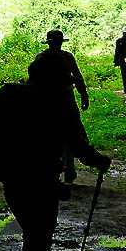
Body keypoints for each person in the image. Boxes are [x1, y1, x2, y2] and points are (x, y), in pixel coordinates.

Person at [0, 56, 111, 251]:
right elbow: (75, 143)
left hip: (12, 177)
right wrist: (98, 161)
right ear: (53, 79)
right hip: (42, 181)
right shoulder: (54, 104)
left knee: (33, 232)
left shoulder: (11, 98)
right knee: (40, 234)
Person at [35, 29, 88, 183]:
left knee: (47, 135)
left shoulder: (40, 57)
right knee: (70, 133)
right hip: (66, 99)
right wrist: (83, 94)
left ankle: (52, 170)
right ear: (60, 42)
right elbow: (77, 77)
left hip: (46, 101)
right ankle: (69, 168)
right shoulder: (67, 57)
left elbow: (34, 79)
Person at [113, 26, 126, 93]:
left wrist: (115, 61)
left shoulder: (119, 41)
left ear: (123, 32)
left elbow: (117, 52)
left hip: (122, 60)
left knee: (124, 75)